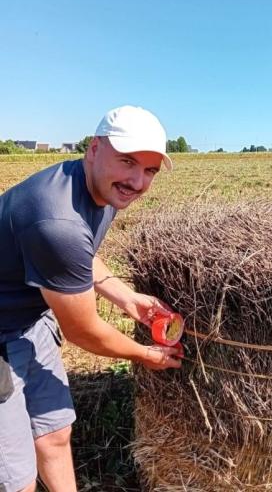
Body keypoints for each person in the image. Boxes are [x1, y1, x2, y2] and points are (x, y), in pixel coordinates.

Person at [0, 106, 182, 492]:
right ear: (94, 148)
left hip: (26, 322)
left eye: (149, 170)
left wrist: (128, 299)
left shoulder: (95, 187)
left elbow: (79, 257)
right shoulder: (56, 220)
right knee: (14, 478)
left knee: (54, 433)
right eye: (128, 162)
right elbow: (84, 331)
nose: (137, 181)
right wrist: (145, 355)